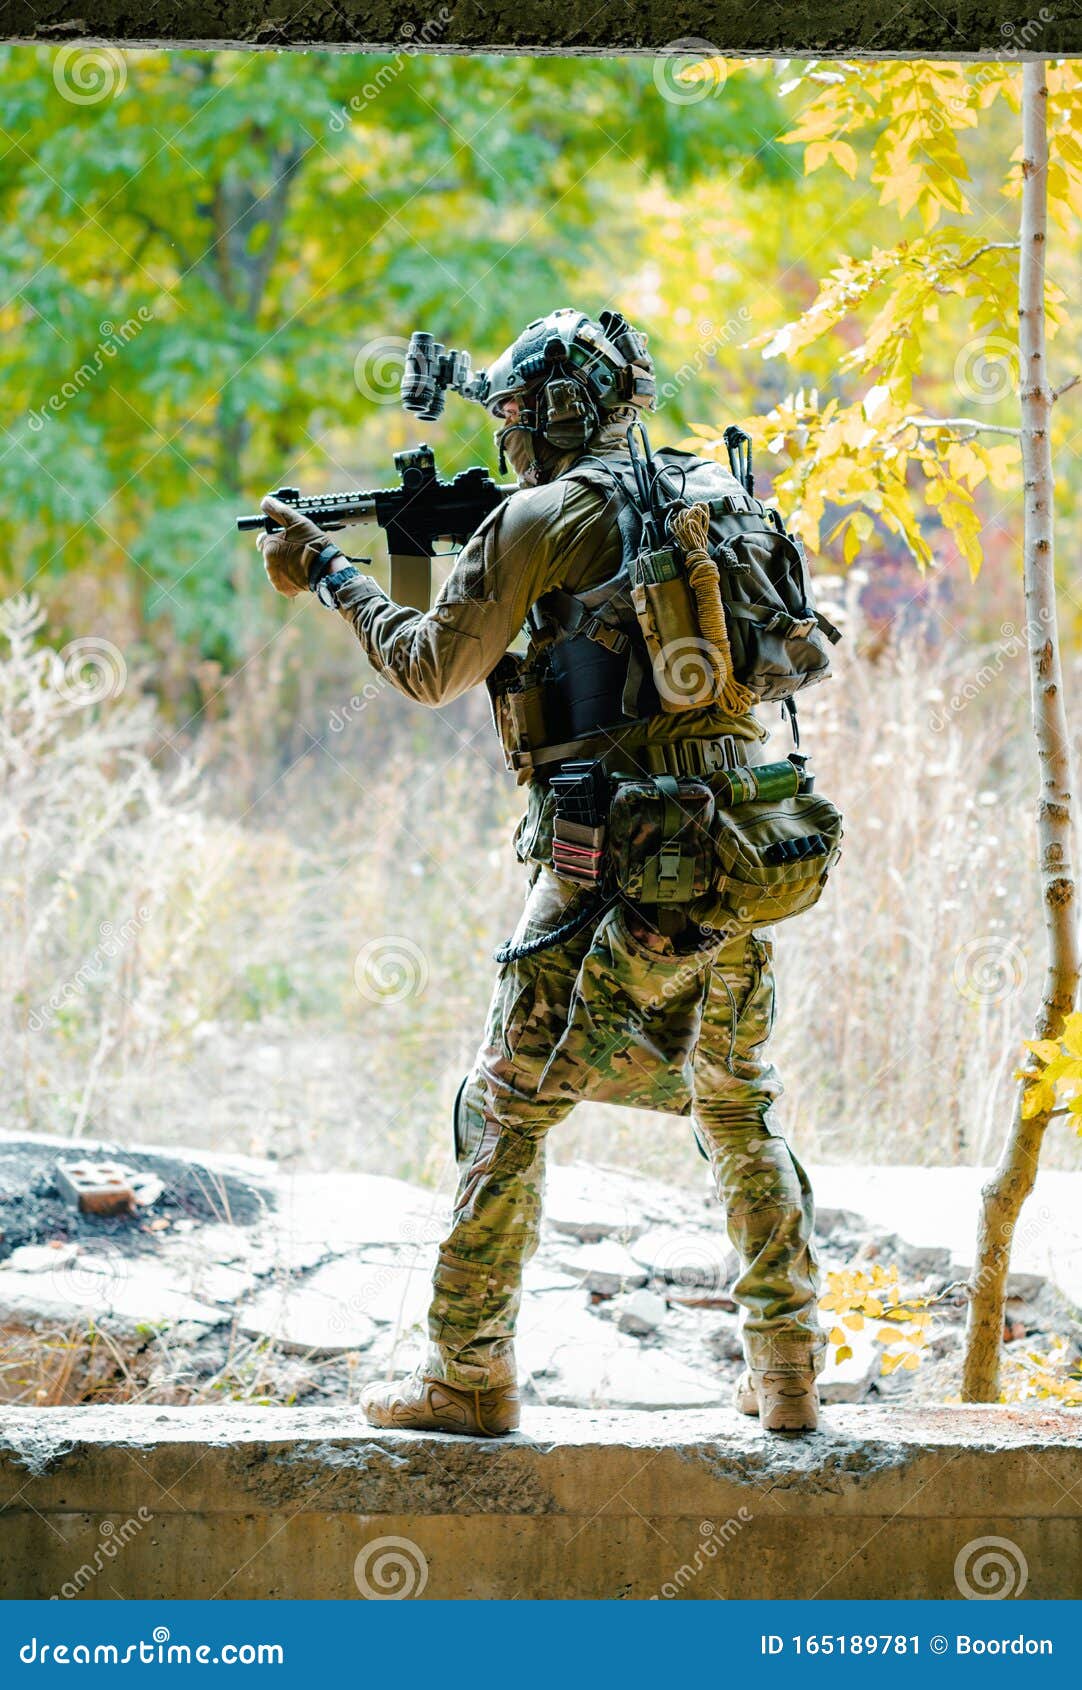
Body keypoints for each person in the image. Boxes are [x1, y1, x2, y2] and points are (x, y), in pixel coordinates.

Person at [257, 308, 825, 1434]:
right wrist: (445, 544)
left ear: (554, 414)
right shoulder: (719, 496)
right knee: (735, 1108)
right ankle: (787, 1373)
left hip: (604, 851)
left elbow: (428, 664)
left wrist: (329, 573)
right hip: (740, 843)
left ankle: (468, 1376)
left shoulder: (540, 515)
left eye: (516, 413)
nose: (508, 433)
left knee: (502, 1108)